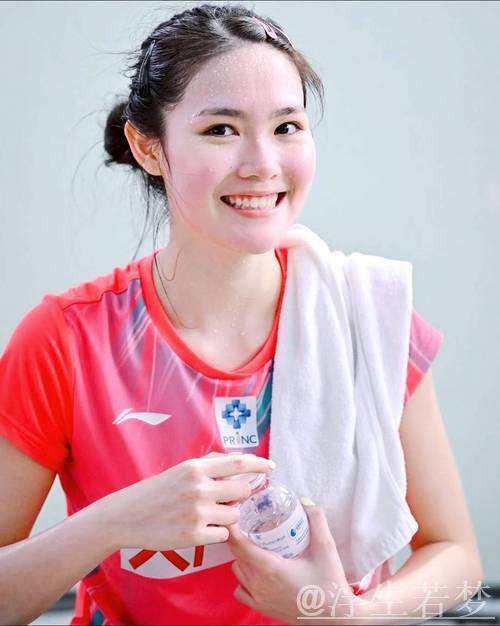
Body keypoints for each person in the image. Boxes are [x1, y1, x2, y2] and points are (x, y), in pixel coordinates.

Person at [0, 4, 482, 626]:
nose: (262, 163)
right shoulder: (67, 339)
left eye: (287, 127)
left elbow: (457, 557)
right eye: (221, 129)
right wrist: (113, 522)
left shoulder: (369, 319)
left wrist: (344, 615)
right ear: (148, 147)